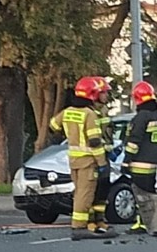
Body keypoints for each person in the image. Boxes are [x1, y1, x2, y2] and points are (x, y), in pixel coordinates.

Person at [49, 77, 117, 240]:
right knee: (85, 194)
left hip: (74, 160)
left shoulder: (67, 111)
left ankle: (88, 223)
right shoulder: (89, 114)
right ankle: (79, 227)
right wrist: (102, 163)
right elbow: (94, 142)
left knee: (80, 191)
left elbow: (53, 126)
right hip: (88, 161)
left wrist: (69, 134)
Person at [123, 81, 157, 236]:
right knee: (151, 194)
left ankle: (142, 223)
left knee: (141, 196)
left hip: (139, 163)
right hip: (153, 164)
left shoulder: (141, 117)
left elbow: (134, 141)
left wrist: (126, 160)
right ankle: (155, 223)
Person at [89, 76, 115, 233]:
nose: (106, 95)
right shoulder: (89, 112)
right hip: (93, 157)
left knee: (103, 190)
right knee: (92, 190)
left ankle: (100, 219)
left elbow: (107, 134)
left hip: (105, 155)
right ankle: (90, 220)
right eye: (103, 92)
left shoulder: (104, 110)